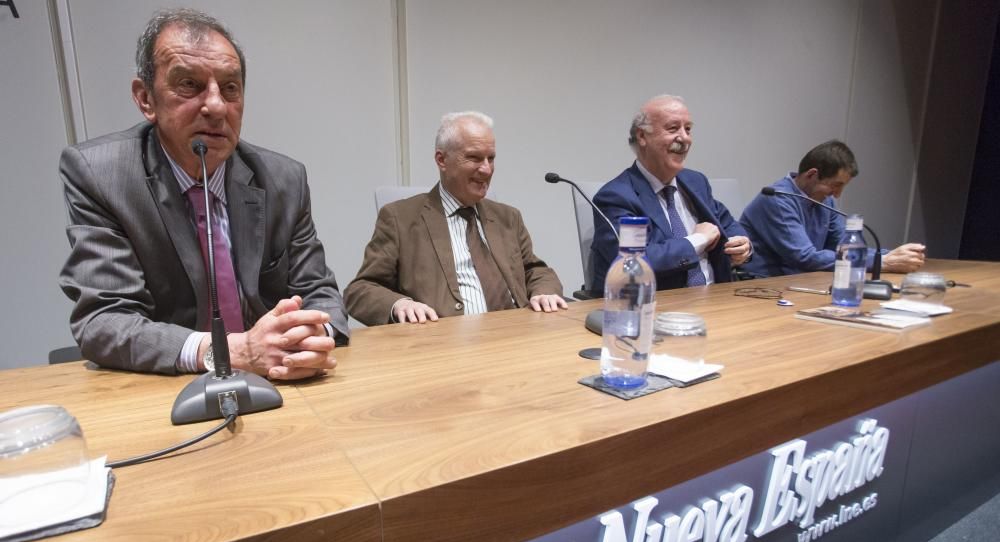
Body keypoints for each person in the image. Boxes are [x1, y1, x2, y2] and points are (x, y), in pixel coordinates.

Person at [59, 8, 348, 381]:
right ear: (145, 98)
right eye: (189, 85)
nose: (215, 106)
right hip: (167, 388)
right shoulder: (102, 175)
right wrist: (229, 352)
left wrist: (306, 339)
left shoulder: (283, 179)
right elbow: (104, 321)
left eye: (230, 88)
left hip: (279, 379)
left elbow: (322, 294)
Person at [345, 111, 566, 325]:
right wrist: (398, 304)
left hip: (516, 337)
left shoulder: (508, 217)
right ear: (442, 160)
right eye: (474, 158)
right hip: (443, 346)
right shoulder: (399, 218)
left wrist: (543, 292)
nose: (487, 169)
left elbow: (535, 270)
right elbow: (361, 290)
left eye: (491, 158)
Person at [590, 95, 752, 293]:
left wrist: (742, 244)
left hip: (718, 298)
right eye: (673, 128)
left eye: (688, 129)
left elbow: (727, 223)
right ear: (642, 136)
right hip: (655, 308)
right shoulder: (616, 196)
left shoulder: (696, 182)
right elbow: (634, 263)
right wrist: (698, 240)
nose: (684, 138)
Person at [740, 140, 926, 277]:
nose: (837, 194)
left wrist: (888, 255)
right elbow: (805, 258)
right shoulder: (778, 199)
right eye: (835, 185)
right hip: (764, 286)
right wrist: (882, 262)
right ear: (812, 174)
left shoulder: (824, 200)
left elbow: (843, 247)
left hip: (803, 281)